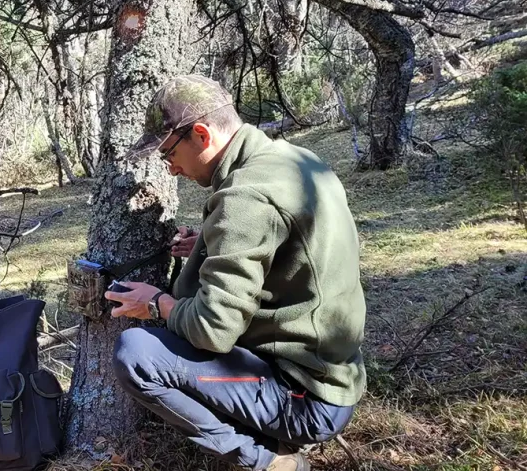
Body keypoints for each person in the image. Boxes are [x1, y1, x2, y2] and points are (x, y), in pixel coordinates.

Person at [104, 75, 366, 471]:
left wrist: (157, 305)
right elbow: (293, 248)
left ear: (201, 134)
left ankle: (266, 461)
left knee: (137, 354)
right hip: (333, 374)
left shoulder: (245, 196)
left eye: (168, 153)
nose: (171, 169)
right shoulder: (296, 160)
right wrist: (209, 246)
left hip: (306, 397)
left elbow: (214, 330)